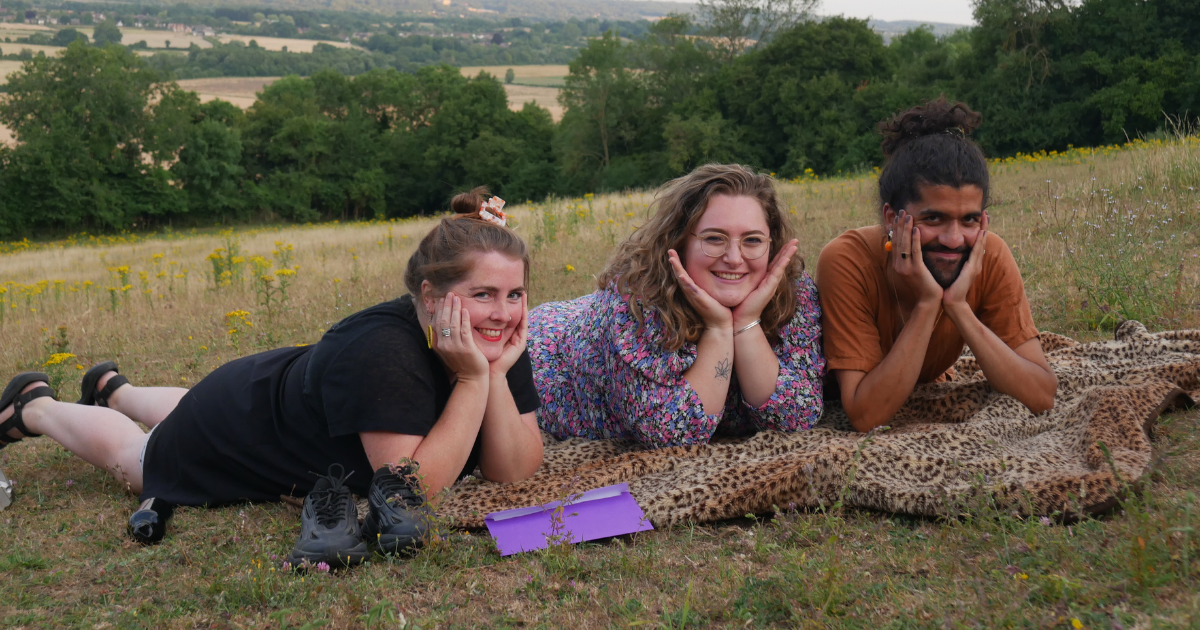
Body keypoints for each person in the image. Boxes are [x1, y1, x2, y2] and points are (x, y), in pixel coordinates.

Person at [0, 187, 544, 566]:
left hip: (270, 400)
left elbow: (516, 470)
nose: (503, 312)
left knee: (182, 413)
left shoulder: (489, 343)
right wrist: (474, 383)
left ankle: (113, 389)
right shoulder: (384, 351)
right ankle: (33, 407)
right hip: (237, 422)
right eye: (483, 294)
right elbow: (411, 490)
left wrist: (492, 377)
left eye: (514, 294)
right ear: (431, 295)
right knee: (144, 461)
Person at [529, 164, 824, 448]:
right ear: (679, 241)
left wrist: (746, 323)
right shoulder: (633, 300)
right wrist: (720, 328)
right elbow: (673, 433)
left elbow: (795, 417)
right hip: (554, 352)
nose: (734, 258)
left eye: (752, 240)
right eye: (714, 238)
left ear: (771, 245)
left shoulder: (792, 291)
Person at [815, 98, 1058, 433]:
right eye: (933, 218)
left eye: (970, 220)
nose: (954, 239)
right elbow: (865, 415)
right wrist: (929, 304)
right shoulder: (847, 261)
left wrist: (957, 306)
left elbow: (1042, 396)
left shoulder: (991, 256)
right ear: (891, 218)